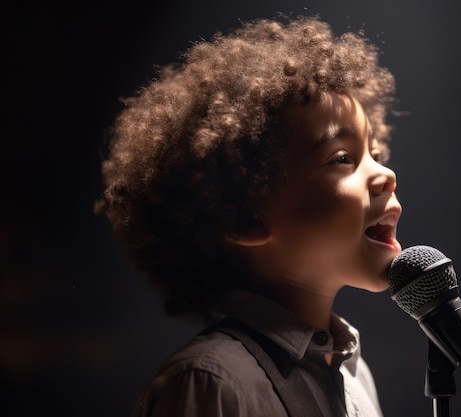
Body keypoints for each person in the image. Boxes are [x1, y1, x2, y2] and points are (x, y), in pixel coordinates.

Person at [95, 14, 402, 417]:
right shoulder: (213, 383)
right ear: (244, 218)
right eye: (342, 158)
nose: (386, 174)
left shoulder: (355, 377)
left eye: (374, 154)